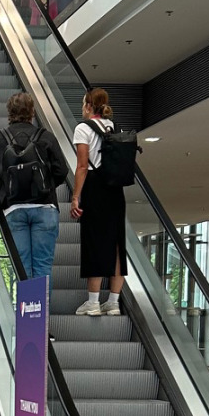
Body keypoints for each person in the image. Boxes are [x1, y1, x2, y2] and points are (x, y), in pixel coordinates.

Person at [0, 91, 69, 282]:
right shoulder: (46, 137)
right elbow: (62, 171)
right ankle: (42, 312)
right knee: (43, 267)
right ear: (32, 112)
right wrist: (46, 186)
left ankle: (24, 312)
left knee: (22, 267)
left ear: (9, 112)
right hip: (45, 208)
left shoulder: (0, 139)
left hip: (14, 209)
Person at [70, 86, 127, 316]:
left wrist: (75, 197)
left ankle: (93, 302)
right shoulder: (115, 127)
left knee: (94, 240)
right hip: (115, 188)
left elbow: (82, 166)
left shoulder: (83, 128)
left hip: (94, 186)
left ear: (88, 105)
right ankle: (113, 302)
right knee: (116, 243)